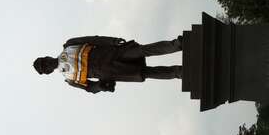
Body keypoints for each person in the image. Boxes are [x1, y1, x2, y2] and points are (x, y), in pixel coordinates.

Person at [33, 35, 182, 94]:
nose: (47, 64)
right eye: (45, 67)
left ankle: (177, 44)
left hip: (111, 53)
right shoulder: (69, 78)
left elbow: (93, 39)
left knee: (143, 50)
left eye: (44, 61)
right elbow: (90, 88)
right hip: (111, 71)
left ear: (46, 56)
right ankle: (179, 72)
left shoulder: (69, 45)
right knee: (146, 72)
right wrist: (101, 86)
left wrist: (112, 41)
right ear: (48, 72)